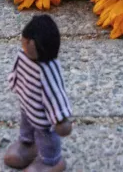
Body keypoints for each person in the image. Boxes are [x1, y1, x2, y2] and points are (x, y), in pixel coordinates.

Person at [5, 15, 72, 172]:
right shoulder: (23, 56)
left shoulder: (48, 70)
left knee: (46, 136)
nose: (24, 42)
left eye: (28, 41)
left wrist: (61, 119)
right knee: (26, 125)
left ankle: (52, 161)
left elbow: (56, 93)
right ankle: (28, 143)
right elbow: (17, 72)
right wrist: (14, 84)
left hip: (44, 116)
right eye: (24, 39)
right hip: (27, 105)